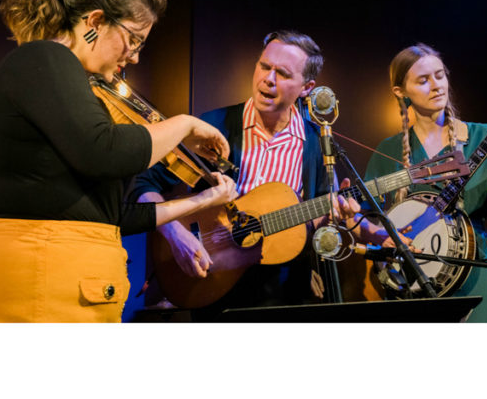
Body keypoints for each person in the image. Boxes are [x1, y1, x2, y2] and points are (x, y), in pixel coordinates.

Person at [0, 0, 237, 322]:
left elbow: (114, 215)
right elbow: (105, 151)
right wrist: (184, 124)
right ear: (96, 21)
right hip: (47, 280)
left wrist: (202, 200)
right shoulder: (46, 57)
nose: (134, 57)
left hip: (70, 280)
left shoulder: (65, 79)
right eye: (134, 39)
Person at [131, 30, 360, 319]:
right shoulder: (214, 126)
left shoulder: (316, 143)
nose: (268, 79)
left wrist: (334, 213)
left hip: (284, 292)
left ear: (306, 87)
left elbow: (316, 219)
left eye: (283, 74)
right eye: (264, 66)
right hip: (213, 282)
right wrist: (175, 233)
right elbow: (143, 185)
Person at [356, 43, 487, 322]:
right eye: (423, 80)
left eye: (440, 75)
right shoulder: (388, 150)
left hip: (475, 285)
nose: (436, 86)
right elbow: (361, 220)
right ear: (400, 91)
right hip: (411, 290)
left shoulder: (483, 138)